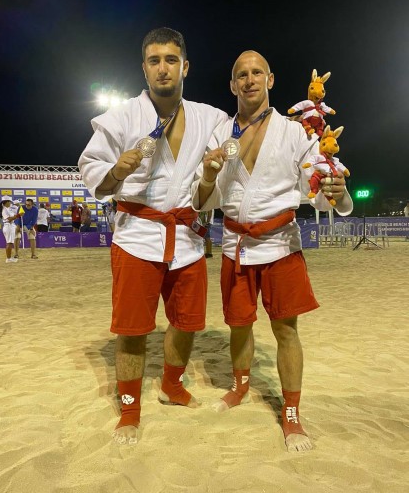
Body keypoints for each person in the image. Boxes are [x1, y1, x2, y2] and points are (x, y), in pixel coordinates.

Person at [192, 50, 353, 452]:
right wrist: (208, 174)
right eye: (241, 75)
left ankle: (291, 412)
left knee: (285, 330)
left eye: (256, 72)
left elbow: (320, 191)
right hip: (236, 246)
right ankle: (240, 386)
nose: (249, 80)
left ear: (270, 79)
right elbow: (202, 201)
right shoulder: (219, 134)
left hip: (281, 244)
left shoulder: (296, 133)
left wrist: (338, 190)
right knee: (238, 324)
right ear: (232, 85)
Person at [79, 27, 228, 446]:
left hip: (186, 238)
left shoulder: (211, 119)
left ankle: (171, 386)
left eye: (171, 60)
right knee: (132, 329)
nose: (163, 68)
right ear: (144, 69)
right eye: (154, 60)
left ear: (186, 67)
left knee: (187, 323)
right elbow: (91, 168)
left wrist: (211, 175)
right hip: (137, 236)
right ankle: (130, 410)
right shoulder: (122, 117)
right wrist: (116, 171)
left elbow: (224, 167)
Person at [0, 196, 19, 263]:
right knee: (9, 243)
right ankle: (8, 258)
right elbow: (9, 219)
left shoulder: (7, 209)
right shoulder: (4, 210)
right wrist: (18, 215)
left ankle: (9, 257)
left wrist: (16, 216)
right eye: (9, 202)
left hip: (10, 226)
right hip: (8, 226)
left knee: (9, 242)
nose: (10, 203)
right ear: (6, 202)